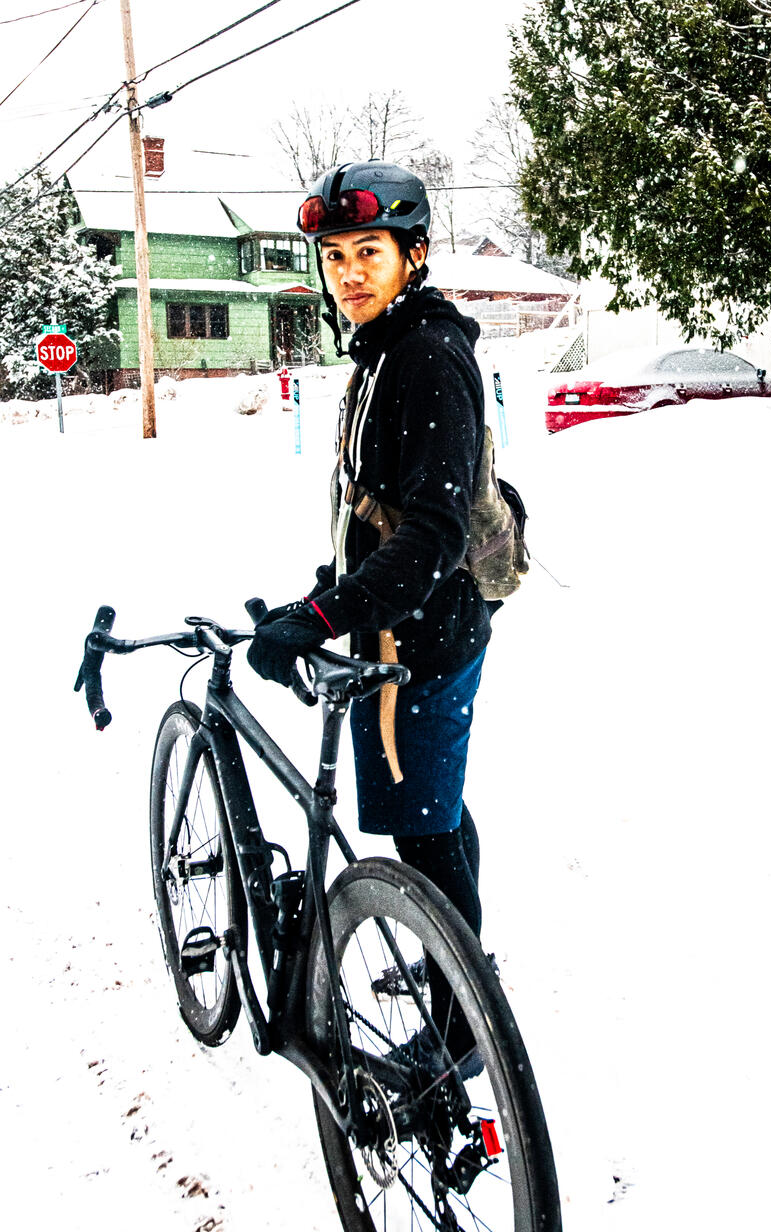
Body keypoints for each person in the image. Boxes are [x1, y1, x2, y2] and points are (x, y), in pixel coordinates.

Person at [247, 161, 492, 1073]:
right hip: (405, 621)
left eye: (371, 252)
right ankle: (461, 965)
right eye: (338, 255)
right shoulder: (385, 348)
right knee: (435, 818)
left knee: (422, 830)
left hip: (422, 635)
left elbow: (432, 531)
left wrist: (327, 612)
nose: (350, 272)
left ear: (412, 255)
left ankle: (463, 1031)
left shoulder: (426, 357)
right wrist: (324, 591)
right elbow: (378, 507)